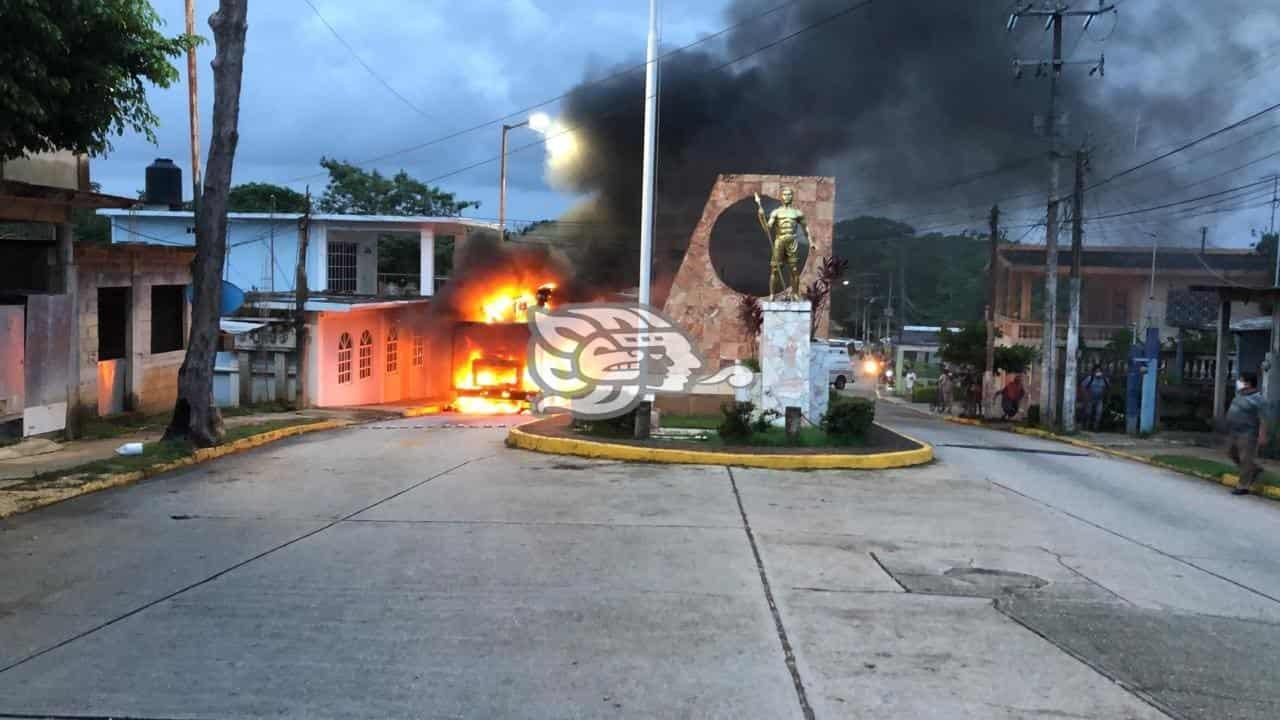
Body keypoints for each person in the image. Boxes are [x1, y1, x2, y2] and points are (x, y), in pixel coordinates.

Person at [1225, 371, 1270, 496]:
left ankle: (1243, 485)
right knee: (1231, 453)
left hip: (1248, 433)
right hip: (1234, 431)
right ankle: (1254, 469)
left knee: (1245, 459)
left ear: (1248, 383)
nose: (1238, 383)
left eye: (1241, 380)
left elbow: (1263, 419)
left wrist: (1262, 435)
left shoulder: (1259, 399)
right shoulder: (1239, 395)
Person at [1079, 365, 1111, 431]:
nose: (1098, 372)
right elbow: (1082, 387)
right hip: (1090, 399)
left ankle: (1095, 428)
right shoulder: (1090, 379)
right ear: (1093, 372)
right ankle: (1086, 427)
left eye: (1099, 371)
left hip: (1099, 399)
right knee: (1088, 413)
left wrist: (1107, 399)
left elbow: (1109, 389)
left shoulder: (1105, 380)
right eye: (1096, 371)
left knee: (1099, 413)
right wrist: (1085, 396)